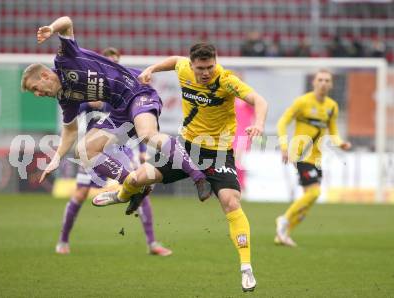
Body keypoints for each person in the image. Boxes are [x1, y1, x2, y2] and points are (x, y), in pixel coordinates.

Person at [96, 43, 268, 292]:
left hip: (218, 154)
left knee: (231, 202)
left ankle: (246, 268)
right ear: (192, 64)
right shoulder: (183, 68)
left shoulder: (227, 81)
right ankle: (121, 195)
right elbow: (174, 60)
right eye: (201, 68)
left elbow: (258, 100)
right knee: (137, 178)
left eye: (210, 67)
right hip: (185, 149)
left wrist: (259, 124)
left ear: (215, 62)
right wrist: (152, 69)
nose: (206, 73)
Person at [20, 16, 212, 204]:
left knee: (148, 134)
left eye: (35, 88)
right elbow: (70, 130)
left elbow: (67, 22)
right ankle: (134, 186)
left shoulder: (64, 60)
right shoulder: (65, 97)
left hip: (137, 91)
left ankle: (198, 177)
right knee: (84, 150)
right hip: (120, 110)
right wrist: (56, 159)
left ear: (45, 75)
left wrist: (52, 29)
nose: (37, 94)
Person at [55, 48, 172, 257]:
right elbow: (72, 115)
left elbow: (139, 119)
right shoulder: (88, 92)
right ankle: (63, 240)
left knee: (138, 187)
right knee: (80, 193)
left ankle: (152, 243)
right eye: (109, 61)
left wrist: (144, 150)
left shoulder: (124, 89)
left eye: (115, 61)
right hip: (94, 149)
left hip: (121, 149)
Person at [275, 69, 352, 247]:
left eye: (327, 80)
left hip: (316, 157)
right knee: (315, 192)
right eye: (320, 80)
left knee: (308, 200)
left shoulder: (332, 106)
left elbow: (333, 132)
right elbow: (282, 122)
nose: (323, 83)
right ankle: (284, 220)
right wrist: (284, 146)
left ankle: (283, 235)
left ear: (331, 85)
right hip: (300, 154)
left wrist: (341, 144)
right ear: (314, 83)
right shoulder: (302, 102)